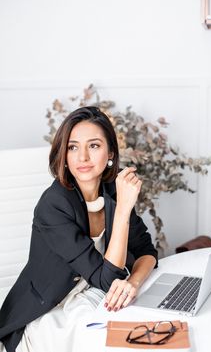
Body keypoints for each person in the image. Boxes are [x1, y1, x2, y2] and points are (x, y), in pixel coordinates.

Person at [0, 106, 158, 352]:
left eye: (93, 146)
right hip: (51, 311)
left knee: (145, 327)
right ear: (63, 154)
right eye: (73, 147)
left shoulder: (114, 191)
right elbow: (108, 279)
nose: (82, 157)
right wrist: (124, 211)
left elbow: (148, 252)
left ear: (110, 154)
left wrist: (134, 282)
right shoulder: (53, 205)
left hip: (92, 297)